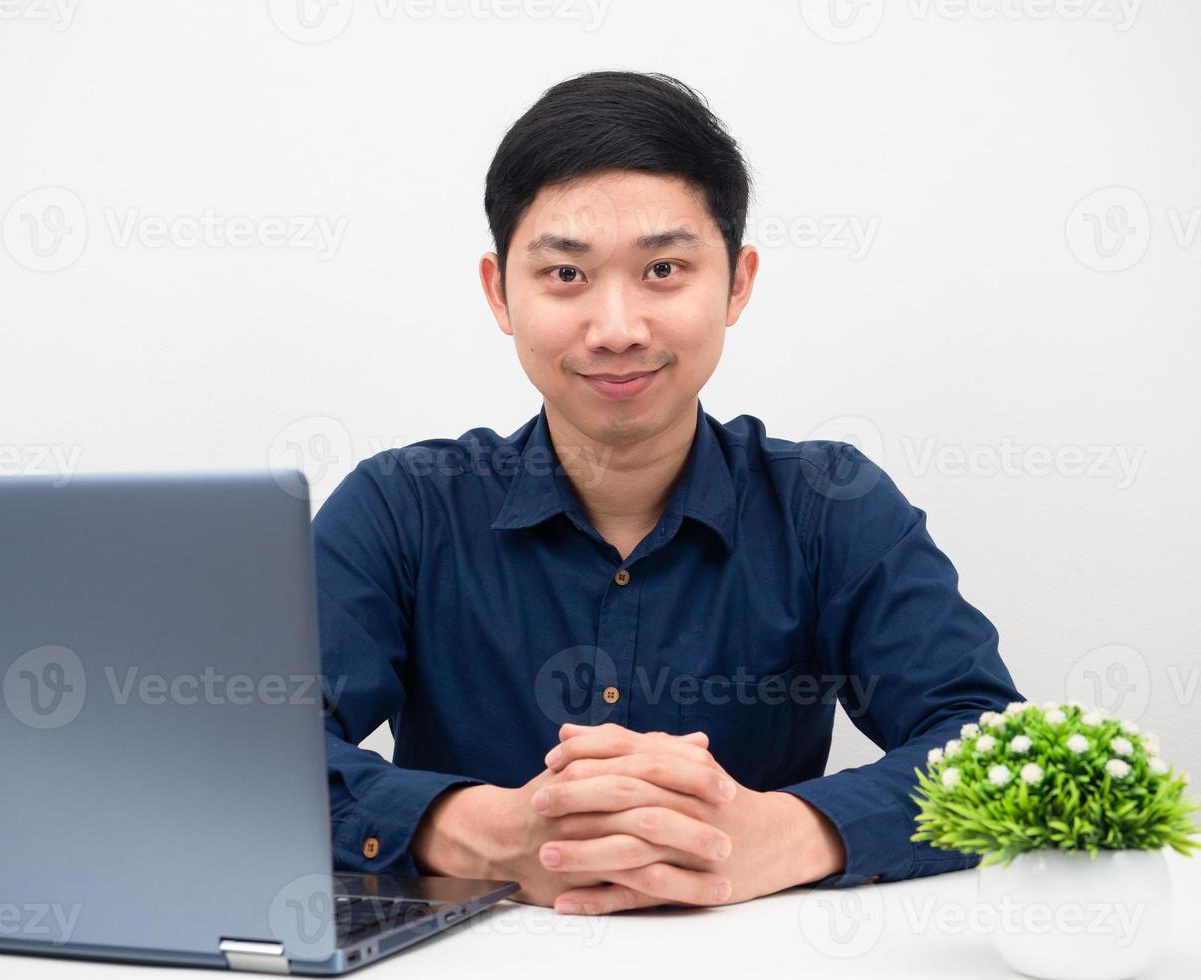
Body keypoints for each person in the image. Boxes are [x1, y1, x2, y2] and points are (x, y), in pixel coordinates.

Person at [313, 70, 1024, 916]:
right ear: (500, 291)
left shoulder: (829, 505)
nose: (617, 329)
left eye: (662, 268)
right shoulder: (402, 508)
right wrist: (477, 832)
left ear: (737, 283)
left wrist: (786, 832)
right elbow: (249, 750)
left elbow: (990, 746)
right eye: (566, 276)